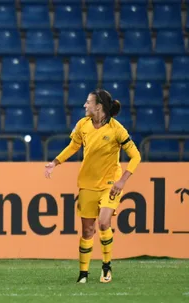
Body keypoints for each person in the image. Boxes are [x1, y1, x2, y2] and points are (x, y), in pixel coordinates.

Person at [44, 89, 141, 283]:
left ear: (99, 106)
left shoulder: (117, 129)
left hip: (110, 184)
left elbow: (136, 156)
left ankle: (106, 267)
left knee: (104, 222)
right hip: (87, 184)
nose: (84, 105)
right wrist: (55, 162)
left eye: (88, 102)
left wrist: (122, 182)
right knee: (87, 231)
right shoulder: (83, 125)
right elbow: (73, 146)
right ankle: (83, 273)